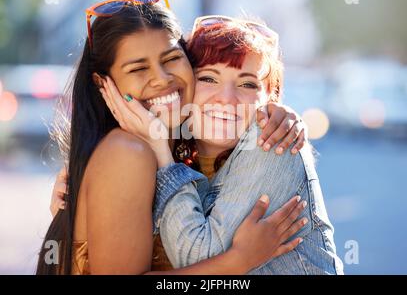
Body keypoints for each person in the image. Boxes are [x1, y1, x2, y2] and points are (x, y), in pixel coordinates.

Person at [39, 0, 308, 275]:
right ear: (103, 83)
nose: (162, 79)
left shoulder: (180, 147)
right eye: (138, 69)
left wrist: (279, 114)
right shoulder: (128, 152)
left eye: (171, 59)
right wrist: (238, 261)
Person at [99, 15, 344, 274]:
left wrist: (161, 153)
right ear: (186, 83)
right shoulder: (170, 146)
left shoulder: (273, 143)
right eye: (208, 78)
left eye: (247, 84)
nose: (226, 99)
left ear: (270, 98)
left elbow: (195, 259)